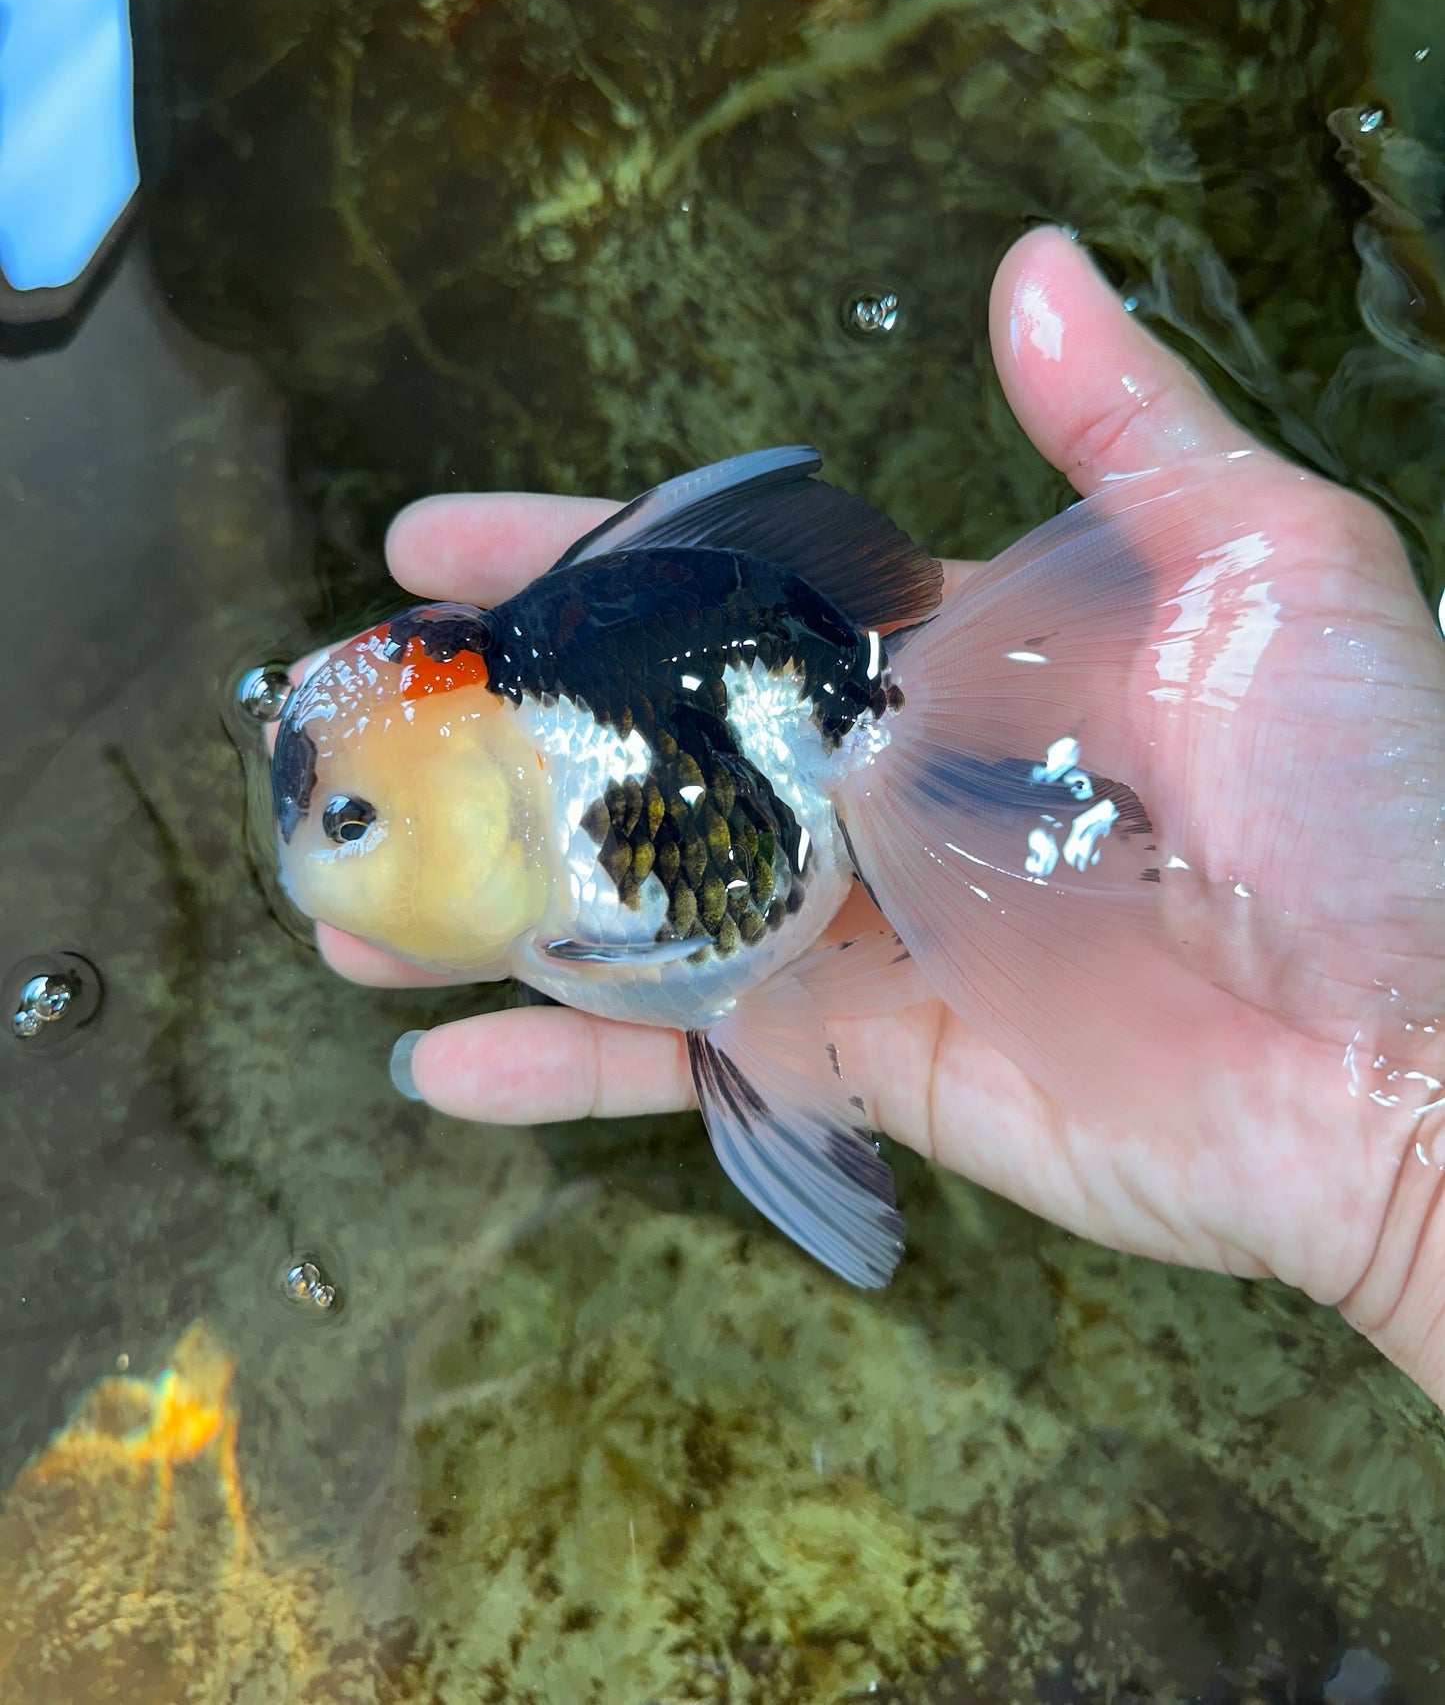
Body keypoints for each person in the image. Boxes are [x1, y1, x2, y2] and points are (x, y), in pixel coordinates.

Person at [312, 228, 1445, 1408]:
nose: (333, 854)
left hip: (806, 731)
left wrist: (1408, 1167)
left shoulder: (567, 926)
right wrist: (1400, 1181)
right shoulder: (546, 914)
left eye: (353, 822)